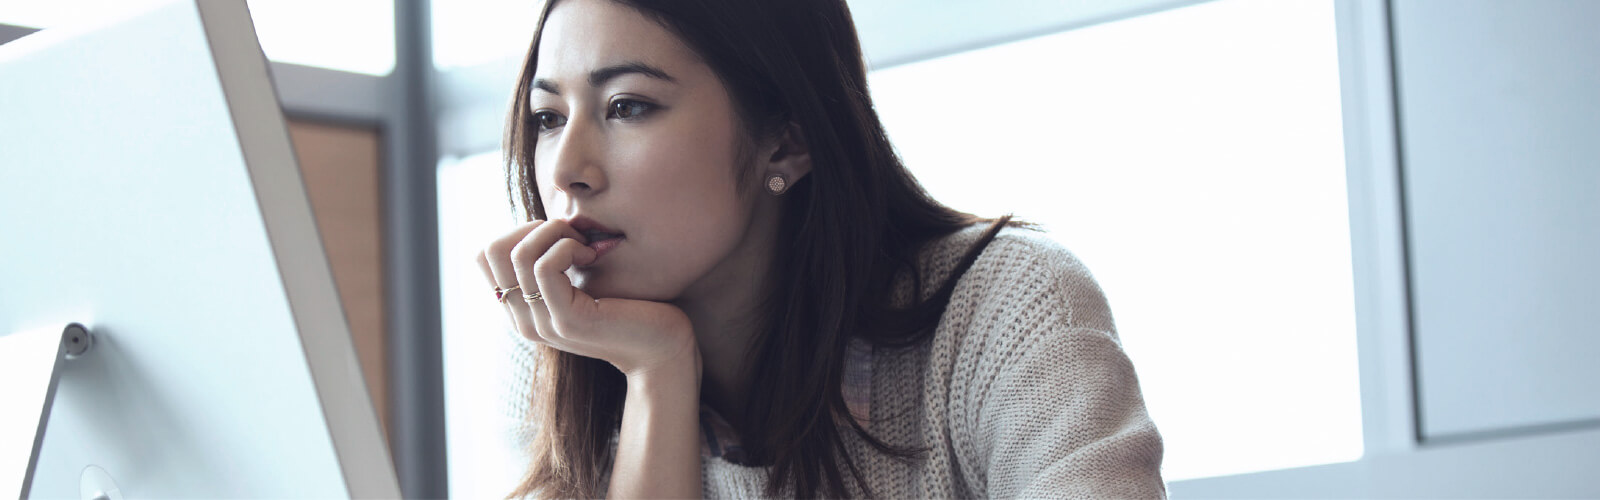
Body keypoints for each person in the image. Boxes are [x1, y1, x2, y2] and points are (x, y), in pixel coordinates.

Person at [474, 0, 1166, 497]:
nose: (567, 168)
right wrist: (658, 374)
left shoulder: (1008, 307)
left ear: (787, 141)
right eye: (547, 117)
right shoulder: (562, 348)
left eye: (627, 106)